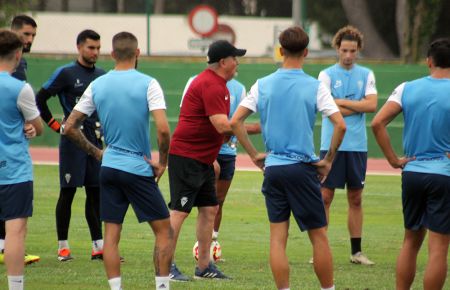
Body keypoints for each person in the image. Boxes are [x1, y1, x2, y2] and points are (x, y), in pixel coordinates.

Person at [230, 25, 345, 290]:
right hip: (301, 168)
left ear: (281, 51)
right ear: (306, 52)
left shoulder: (263, 84)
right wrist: (328, 160)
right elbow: (340, 125)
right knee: (319, 236)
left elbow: (235, 122)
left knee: (277, 238)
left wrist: (254, 154)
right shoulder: (315, 86)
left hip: (274, 168)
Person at [64, 31, 174, 290]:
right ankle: (162, 287)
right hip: (136, 167)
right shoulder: (149, 83)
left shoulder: (98, 84)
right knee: (164, 231)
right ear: (138, 53)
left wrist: (97, 152)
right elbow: (163, 130)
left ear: (112, 54)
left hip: (109, 166)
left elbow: (69, 127)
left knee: (111, 236)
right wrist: (163, 162)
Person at [371, 38, 450, 290]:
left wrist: (393, 160)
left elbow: (377, 123)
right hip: (444, 174)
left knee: (410, 242)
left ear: (429, 61)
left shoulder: (407, 88)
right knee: (438, 248)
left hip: (413, 172)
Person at [168, 40, 246, 281]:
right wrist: (259, 128)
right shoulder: (212, 84)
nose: (238, 63)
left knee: (210, 209)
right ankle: (165, 266)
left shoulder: (218, 84)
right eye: (235, 58)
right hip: (187, 156)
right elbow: (222, 125)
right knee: (179, 211)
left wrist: (212, 157)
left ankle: (204, 266)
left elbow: (215, 130)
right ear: (223, 62)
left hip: (202, 158)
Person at [35, 29, 105, 261]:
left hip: (95, 142)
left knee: (95, 194)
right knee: (68, 193)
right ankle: (63, 247)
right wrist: (56, 126)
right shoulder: (65, 73)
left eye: (98, 48)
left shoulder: (103, 76)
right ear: (79, 47)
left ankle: (98, 247)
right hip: (72, 143)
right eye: (90, 48)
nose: (95, 52)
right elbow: (40, 98)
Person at [317, 25, 377, 265]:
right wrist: (356, 104)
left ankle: (356, 252)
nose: (349, 55)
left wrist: (339, 103)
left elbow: (371, 106)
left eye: (353, 50)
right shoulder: (326, 75)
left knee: (356, 198)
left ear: (358, 50)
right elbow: (325, 108)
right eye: (344, 50)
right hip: (332, 144)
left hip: (357, 146)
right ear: (337, 49)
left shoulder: (367, 74)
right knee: (325, 197)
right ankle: (320, 250)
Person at [181, 76, 260, 245]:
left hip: (227, 152)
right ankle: (198, 243)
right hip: (203, 150)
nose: (236, 63)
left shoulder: (239, 88)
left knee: (218, 200)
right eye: (233, 57)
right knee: (193, 201)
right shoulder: (196, 81)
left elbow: (237, 122)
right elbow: (189, 116)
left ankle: (212, 241)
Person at [0, 29, 43, 290]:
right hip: (13, 169)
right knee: (15, 233)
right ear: (18, 54)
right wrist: (29, 128)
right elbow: (37, 126)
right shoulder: (20, 88)